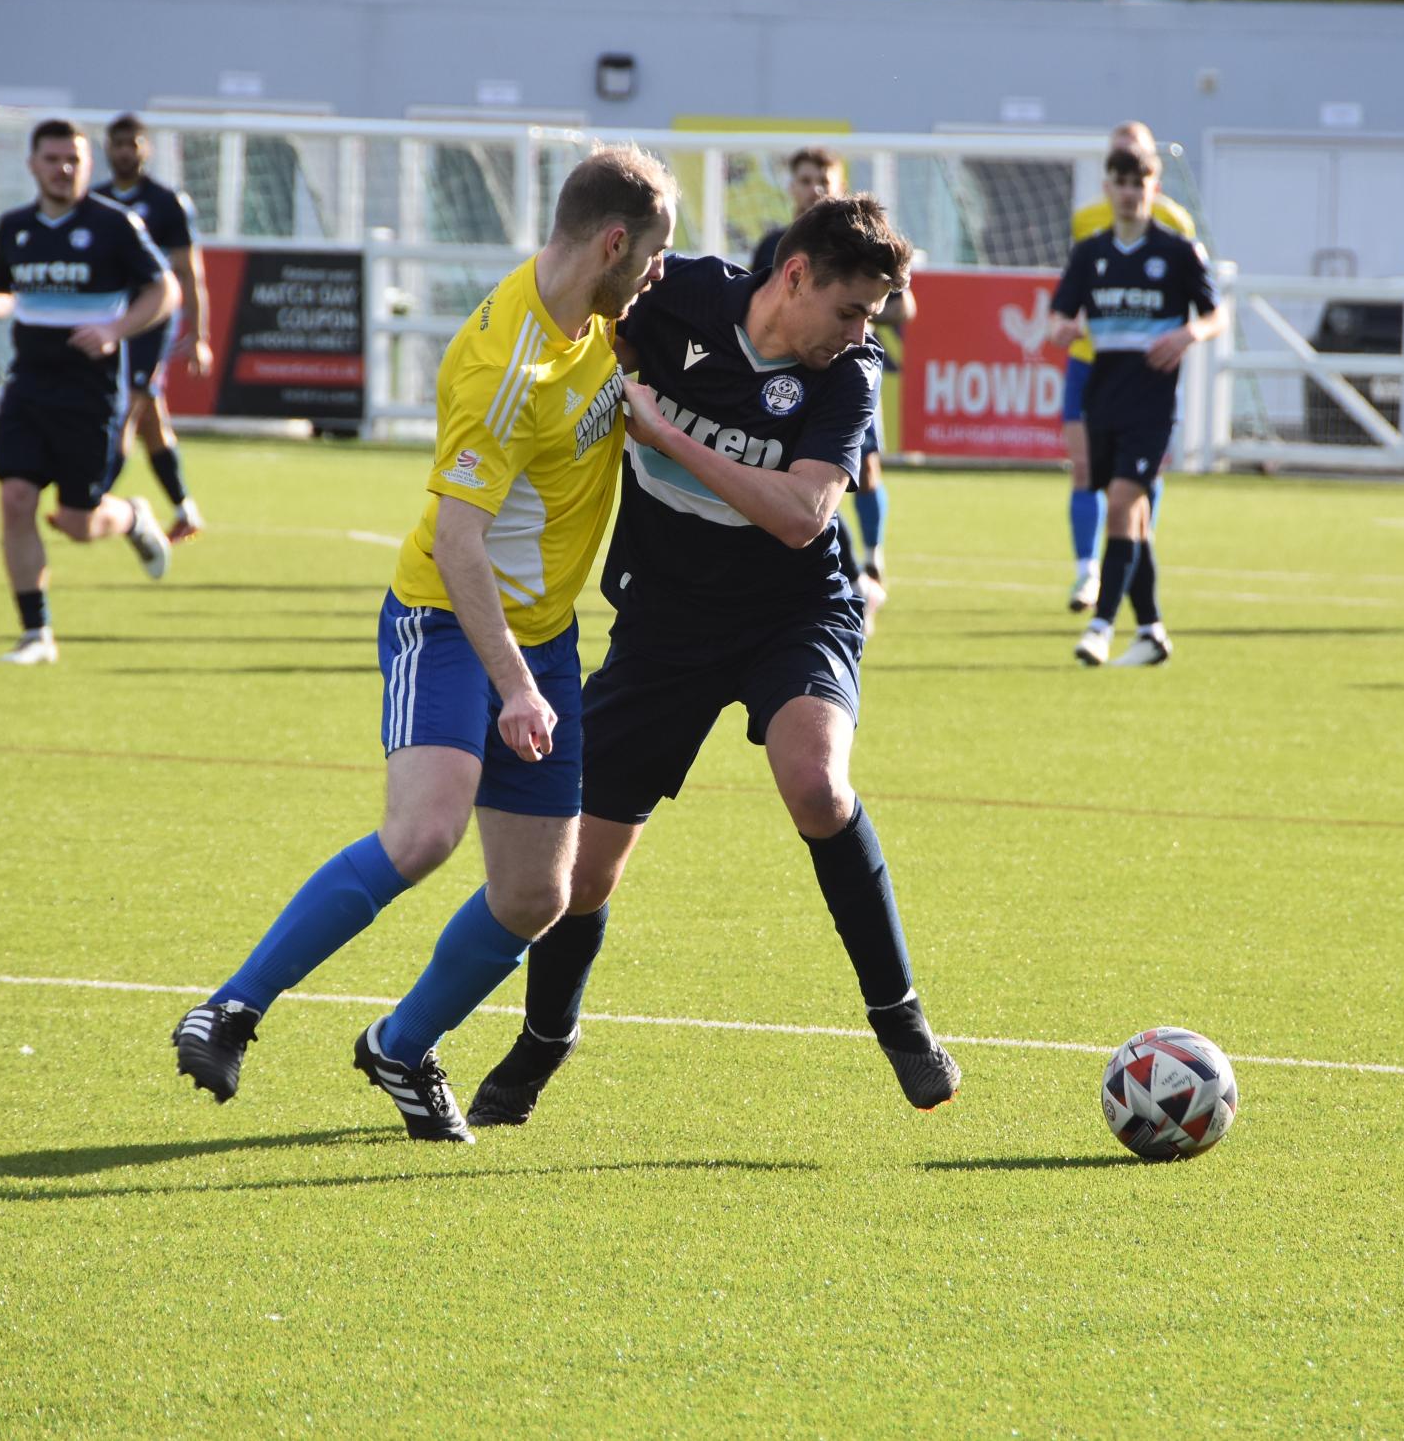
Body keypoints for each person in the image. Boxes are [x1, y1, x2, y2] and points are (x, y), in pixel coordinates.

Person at [170, 146, 677, 1142]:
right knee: (425, 832)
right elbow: (456, 542)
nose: (660, 275)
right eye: (654, 256)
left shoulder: (606, 323)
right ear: (613, 244)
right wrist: (517, 689)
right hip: (447, 619)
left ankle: (400, 1047)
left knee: (537, 894)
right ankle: (230, 1006)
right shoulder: (504, 364)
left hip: (545, 639)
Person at [464, 193, 961, 1128]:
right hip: (665, 624)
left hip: (794, 611)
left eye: (875, 319)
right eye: (853, 311)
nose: (862, 333)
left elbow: (802, 517)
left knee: (817, 786)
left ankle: (899, 1019)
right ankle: (543, 1041)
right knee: (581, 875)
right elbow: (577, 320)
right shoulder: (678, 296)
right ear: (797, 275)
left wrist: (665, 435)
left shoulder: (849, 375)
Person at [0, 118, 178, 666]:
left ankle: (130, 516)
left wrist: (115, 330)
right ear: (32, 164)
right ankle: (37, 634)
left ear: (87, 166)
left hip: (90, 393)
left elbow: (164, 288)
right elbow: (7, 289)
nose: (63, 169)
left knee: (80, 523)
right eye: (53, 159)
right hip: (29, 385)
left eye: (73, 160)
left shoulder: (114, 225)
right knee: (15, 499)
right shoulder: (14, 227)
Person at [1045, 143, 1225, 668]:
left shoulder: (1177, 252)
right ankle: (1151, 631)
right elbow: (1058, 318)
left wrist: (1189, 333)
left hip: (1153, 402)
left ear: (1155, 187)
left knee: (1122, 505)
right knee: (1136, 519)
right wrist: (1064, 329)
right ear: (1108, 188)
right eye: (1120, 182)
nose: (1129, 192)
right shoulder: (1090, 253)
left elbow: (1217, 315)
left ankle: (1100, 626)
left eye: (1138, 182)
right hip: (1104, 396)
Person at [752, 147, 911, 609]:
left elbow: (905, 305)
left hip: (843, 370)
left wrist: (849, 313)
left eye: (824, 178)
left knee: (861, 467)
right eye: (805, 179)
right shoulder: (774, 245)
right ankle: (852, 579)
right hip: (787, 373)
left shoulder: (867, 248)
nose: (815, 188)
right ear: (791, 186)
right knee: (793, 470)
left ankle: (872, 560)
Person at [1063, 122, 1198, 612]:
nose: (1126, 176)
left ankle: (1134, 558)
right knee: (1083, 469)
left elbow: (1189, 298)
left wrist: (1180, 337)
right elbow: (1075, 289)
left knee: (1138, 482)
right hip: (1090, 365)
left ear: (1152, 168)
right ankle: (1086, 573)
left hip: (1144, 374)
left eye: (1134, 161)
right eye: (1116, 161)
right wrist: (1066, 323)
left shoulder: (1176, 223)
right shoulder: (1087, 222)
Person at [94, 113, 211, 542]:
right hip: (109, 320)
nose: (125, 151)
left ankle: (93, 499)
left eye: (133, 143)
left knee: (127, 409)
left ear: (147, 148)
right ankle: (186, 509)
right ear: (107, 148)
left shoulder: (166, 203)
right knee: (149, 421)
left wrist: (198, 335)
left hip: (153, 323)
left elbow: (188, 272)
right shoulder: (97, 201)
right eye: (118, 143)